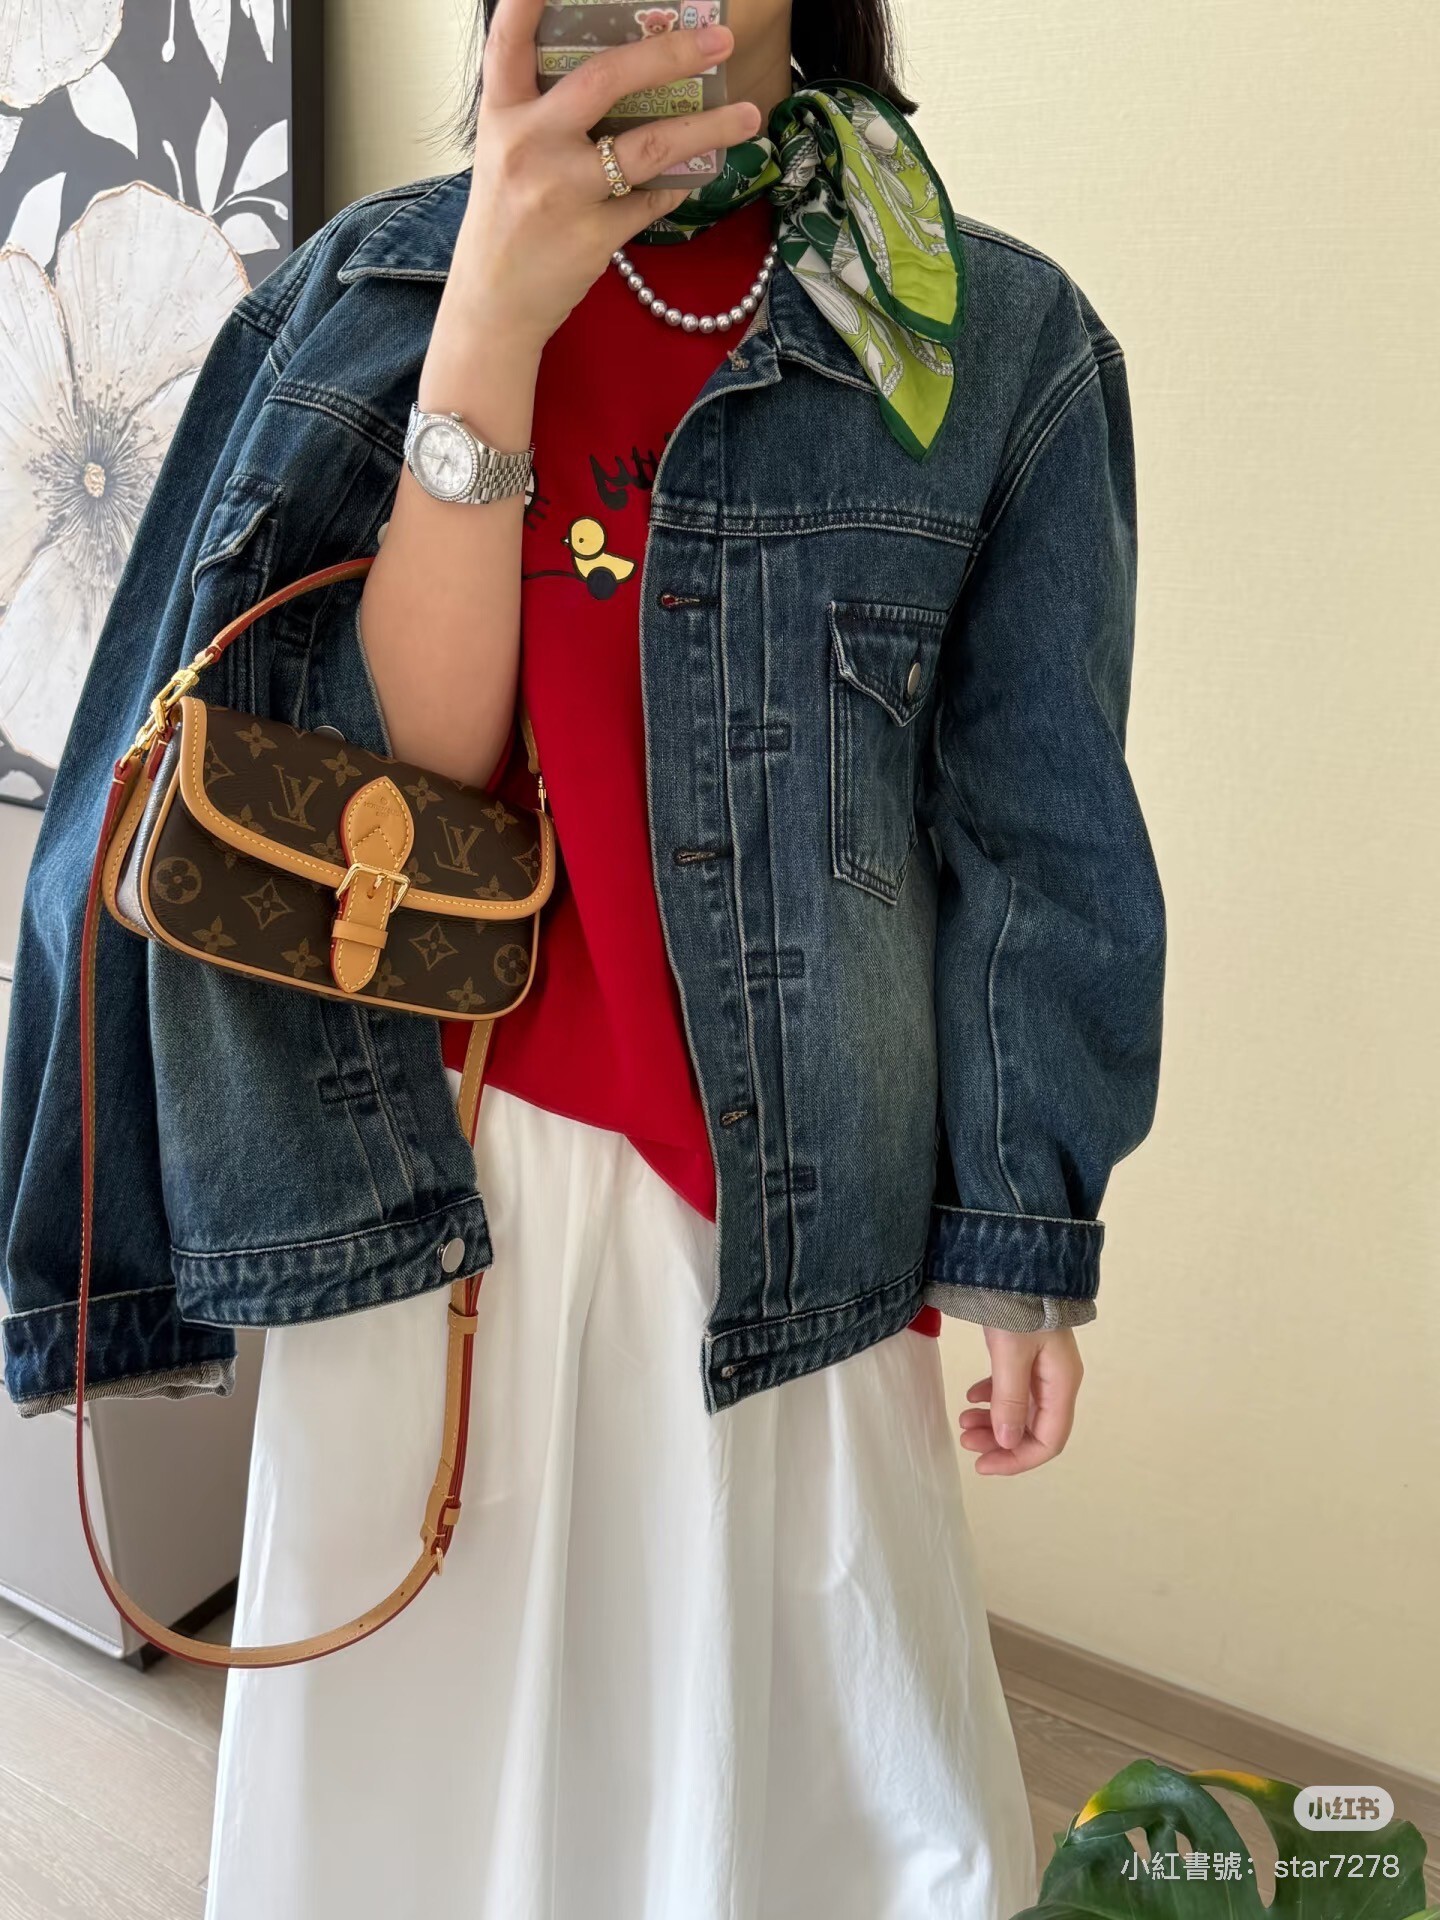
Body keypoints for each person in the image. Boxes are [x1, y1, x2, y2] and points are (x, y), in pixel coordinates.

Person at [0, 0, 1166, 1914]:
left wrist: (1027, 1233)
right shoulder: (362, 296)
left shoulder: (992, 340)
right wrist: (488, 321)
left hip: (795, 1224)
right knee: (426, 1834)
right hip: (420, 1196)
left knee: (808, 1820)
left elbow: (1034, 826)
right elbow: (391, 796)